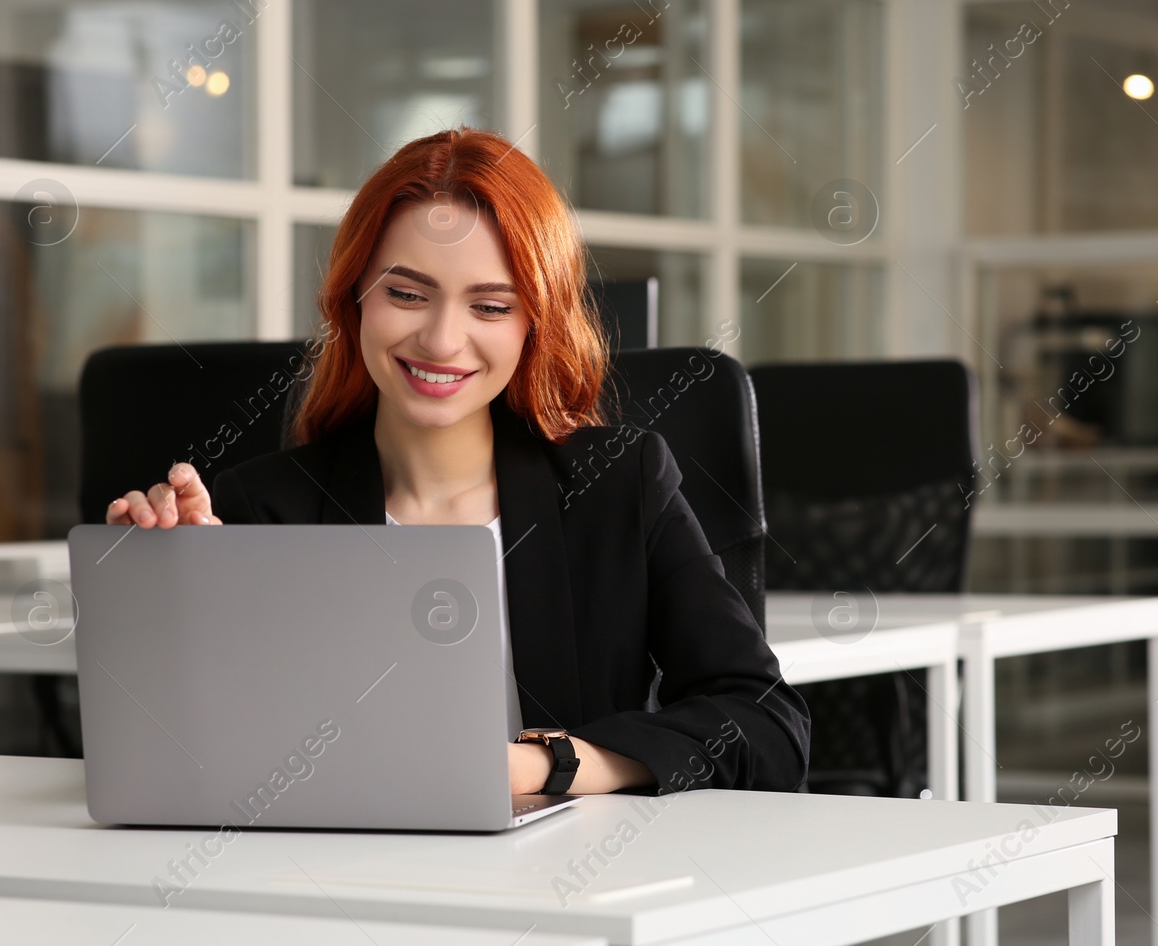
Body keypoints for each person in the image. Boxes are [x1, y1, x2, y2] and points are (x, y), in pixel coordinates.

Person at [106, 128, 809, 797]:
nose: (442, 339)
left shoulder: (619, 484)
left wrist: (544, 766)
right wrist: (171, 601)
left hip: (569, 887)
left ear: (537, 321)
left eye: (491, 306)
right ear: (355, 298)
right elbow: (200, 756)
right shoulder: (265, 506)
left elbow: (766, 726)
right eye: (406, 294)